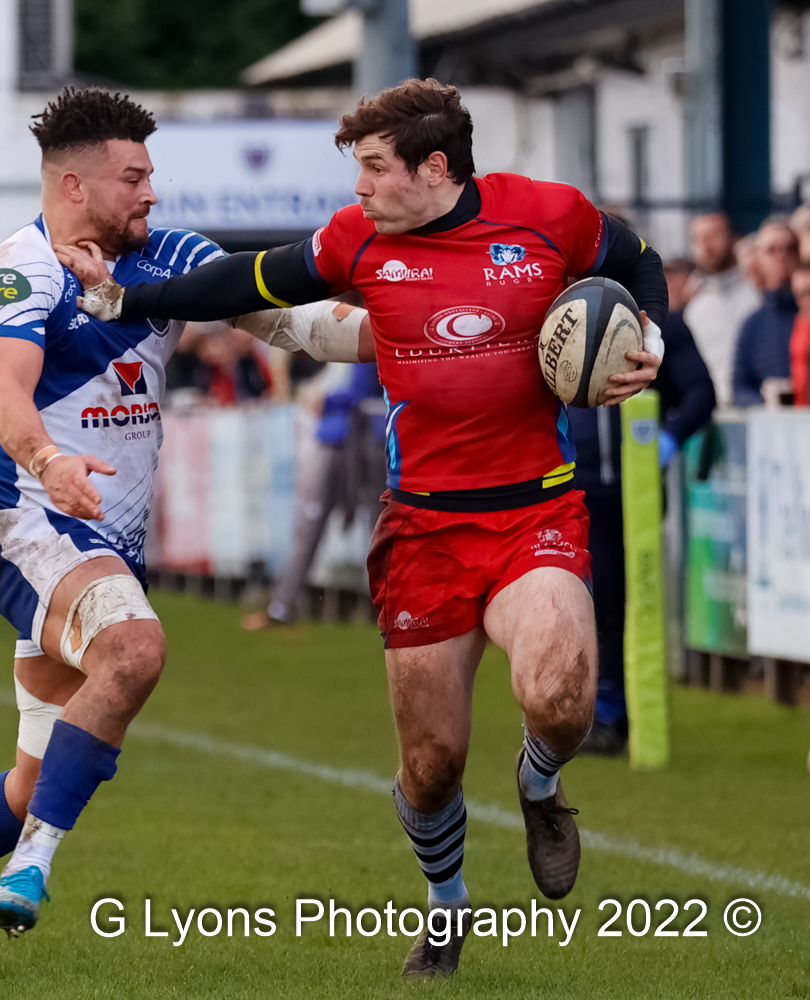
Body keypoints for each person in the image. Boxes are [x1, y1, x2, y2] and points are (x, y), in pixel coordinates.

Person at [57, 78, 665, 979]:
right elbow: (248, 277)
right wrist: (123, 301)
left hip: (535, 506)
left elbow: (636, 253)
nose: (359, 188)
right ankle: (447, 909)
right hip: (423, 528)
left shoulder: (548, 215)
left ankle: (540, 784)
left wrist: (647, 336)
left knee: (563, 697)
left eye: (375, 169)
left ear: (435, 168)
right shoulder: (359, 242)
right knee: (431, 766)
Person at [0, 88, 237, 966]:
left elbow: (287, 320)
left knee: (34, 781)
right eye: (132, 178)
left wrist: (408, 328)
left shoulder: (169, 255)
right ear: (74, 184)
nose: (150, 193)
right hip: (24, 523)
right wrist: (52, 462)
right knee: (134, 651)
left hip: (102, 545)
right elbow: (5, 394)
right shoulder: (20, 268)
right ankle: (32, 870)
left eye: (151, 176)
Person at [573, 263, 715, 755]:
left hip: (636, 492)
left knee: (636, 601)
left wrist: (670, 438)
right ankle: (599, 709)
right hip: (575, 491)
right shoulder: (558, 324)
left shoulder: (661, 327)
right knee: (593, 601)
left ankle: (629, 709)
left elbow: (701, 392)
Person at [246, 360, 385, 628]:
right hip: (338, 440)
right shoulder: (339, 346)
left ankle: (393, 608)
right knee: (315, 523)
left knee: (377, 528)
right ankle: (282, 605)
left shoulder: (363, 335)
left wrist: (325, 399)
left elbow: (364, 388)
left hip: (358, 441)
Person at [682, 213, 761, 406]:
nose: (707, 246)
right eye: (700, 239)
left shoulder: (756, 296)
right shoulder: (693, 309)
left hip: (754, 409)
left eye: (714, 236)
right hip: (710, 413)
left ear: (733, 238)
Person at [732, 220, 800, 406]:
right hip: (771, 426)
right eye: (772, 250)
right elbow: (739, 388)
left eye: (789, 248)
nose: (782, 256)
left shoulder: (805, 315)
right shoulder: (752, 325)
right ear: (759, 261)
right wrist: (765, 402)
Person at [788, 267, 810, 406]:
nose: (804, 299)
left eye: (808, 292)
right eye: (799, 294)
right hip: (799, 413)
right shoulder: (795, 324)